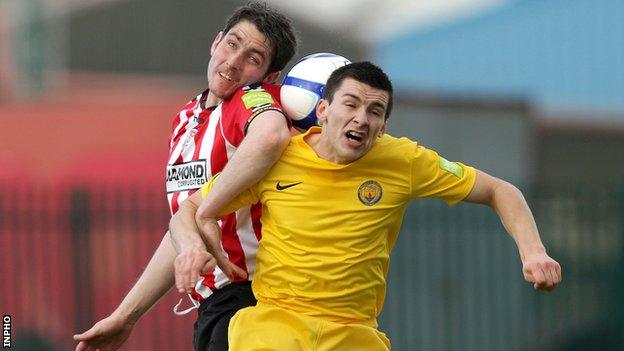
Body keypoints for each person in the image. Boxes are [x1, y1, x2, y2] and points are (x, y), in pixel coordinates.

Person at [170, 61, 562, 350]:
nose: (362, 118)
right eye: (351, 105)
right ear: (323, 111)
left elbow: (501, 190)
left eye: (375, 111)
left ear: (384, 127)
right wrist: (190, 247)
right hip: (275, 326)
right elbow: (188, 210)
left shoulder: (403, 161)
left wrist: (534, 252)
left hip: (354, 333)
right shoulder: (278, 158)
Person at [73, 3, 297, 351]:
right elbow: (181, 225)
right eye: (232, 44)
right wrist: (126, 316)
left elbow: (270, 136)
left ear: (269, 77)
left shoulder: (250, 99)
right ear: (215, 42)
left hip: (252, 302)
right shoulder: (186, 118)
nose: (234, 62)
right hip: (214, 307)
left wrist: (206, 211)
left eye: (253, 58)